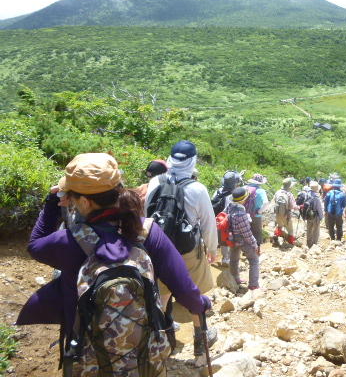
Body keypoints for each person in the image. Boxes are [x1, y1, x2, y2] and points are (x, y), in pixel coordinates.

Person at [17, 153, 211, 375]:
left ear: (84, 201)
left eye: (70, 195)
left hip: (87, 355)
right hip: (144, 356)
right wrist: (201, 304)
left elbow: (34, 245)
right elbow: (184, 289)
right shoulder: (147, 232)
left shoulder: (68, 241)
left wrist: (51, 204)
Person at [145, 140, 217, 349]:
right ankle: (201, 339)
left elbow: (145, 214)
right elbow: (208, 223)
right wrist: (211, 249)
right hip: (187, 250)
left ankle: (160, 339)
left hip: (158, 247)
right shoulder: (198, 189)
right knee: (194, 292)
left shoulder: (156, 182)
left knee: (162, 293)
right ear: (192, 160)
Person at [227, 187, 260, 290]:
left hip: (232, 238)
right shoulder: (241, 212)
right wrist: (255, 244)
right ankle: (253, 285)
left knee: (234, 259)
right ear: (243, 199)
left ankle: (235, 279)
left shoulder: (229, 207)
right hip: (242, 240)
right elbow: (247, 233)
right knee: (254, 260)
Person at [211, 170, 242, 266]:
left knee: (219, 238)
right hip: (226, 219)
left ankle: (216, 256)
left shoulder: (218, 191)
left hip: (216, 218)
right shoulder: (233, 195)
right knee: (227, 239)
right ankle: (227, 259)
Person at [272, 177, 298, 246]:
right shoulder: (289, 194)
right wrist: (299, 207)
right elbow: (293, 206)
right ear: (290, 186)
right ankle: (290, 243)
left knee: (279, 226)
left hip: (277, 213)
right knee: (290, 229)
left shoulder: (277, 192)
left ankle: (276, 238)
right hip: (286, 214)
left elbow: (274, 202)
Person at [246, 173, 269, 250]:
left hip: (245, 214)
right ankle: (257, 250)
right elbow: (266, 203)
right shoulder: (261, 191)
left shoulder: (246, 188)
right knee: (257, 233)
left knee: (247, 232)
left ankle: (247, 251)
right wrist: (259, 211)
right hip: (256, 215)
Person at [304, 181, 324, 248]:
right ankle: (314, 244)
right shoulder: (316, 197)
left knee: (309, 229)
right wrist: (321, 217)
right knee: (316, 230)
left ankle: (308, 243)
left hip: (308, 215)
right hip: (315, 215)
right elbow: (319, 208)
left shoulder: (306, 194)